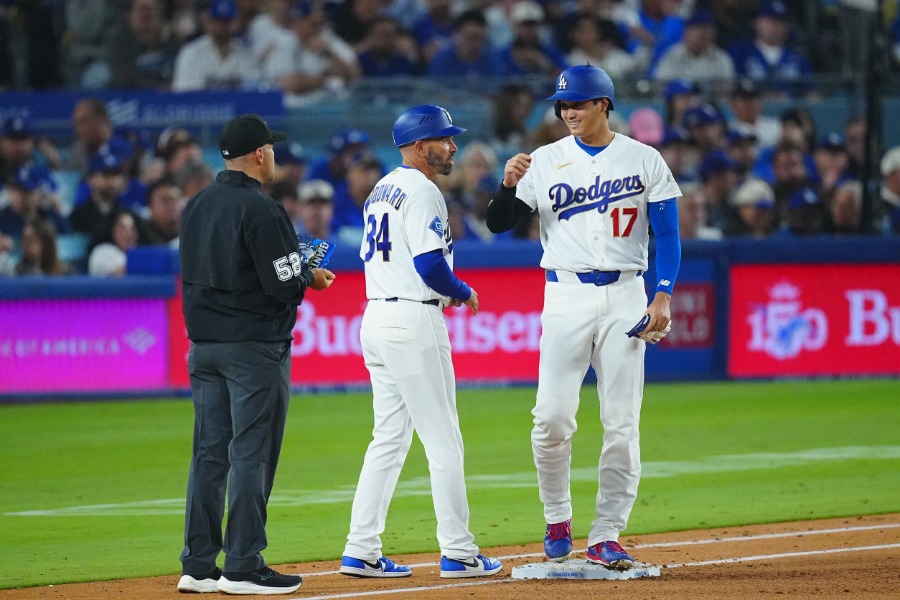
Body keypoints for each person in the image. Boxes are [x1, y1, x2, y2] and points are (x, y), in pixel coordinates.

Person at [485, 65, 682, 569]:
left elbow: (669, 234)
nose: (569, 111)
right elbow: (499, 223)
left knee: (622, 422)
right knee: (550, 417)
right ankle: (557, 517)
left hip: (626, 294)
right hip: (565, 294)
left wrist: (662, 294)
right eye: (563, 105)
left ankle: (607, 533)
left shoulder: (644, 158)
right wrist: (506, 186)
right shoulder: (545, 160)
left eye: (578, 103)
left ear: (604, 105)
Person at [340, 104, 502, 580]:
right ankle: (459, 552)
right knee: (443, 439)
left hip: (376, 317)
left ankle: (361, 548)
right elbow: (430, 265)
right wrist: (463, 291)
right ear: (416, 145)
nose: (452, 146)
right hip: (413, 318)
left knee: (388, 440)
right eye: (443, 139)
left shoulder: (381, 188)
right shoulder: (424, 190)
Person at [177, 113, 335, 595]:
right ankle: (243, 564)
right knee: (251, 454)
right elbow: (282, 286)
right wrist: (310, 276)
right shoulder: (264, 210)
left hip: (203, 347)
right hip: (253, 349)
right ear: (260, 154)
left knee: (209, 455)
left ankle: (198, 565)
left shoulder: (197, 205)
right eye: (272, 149)